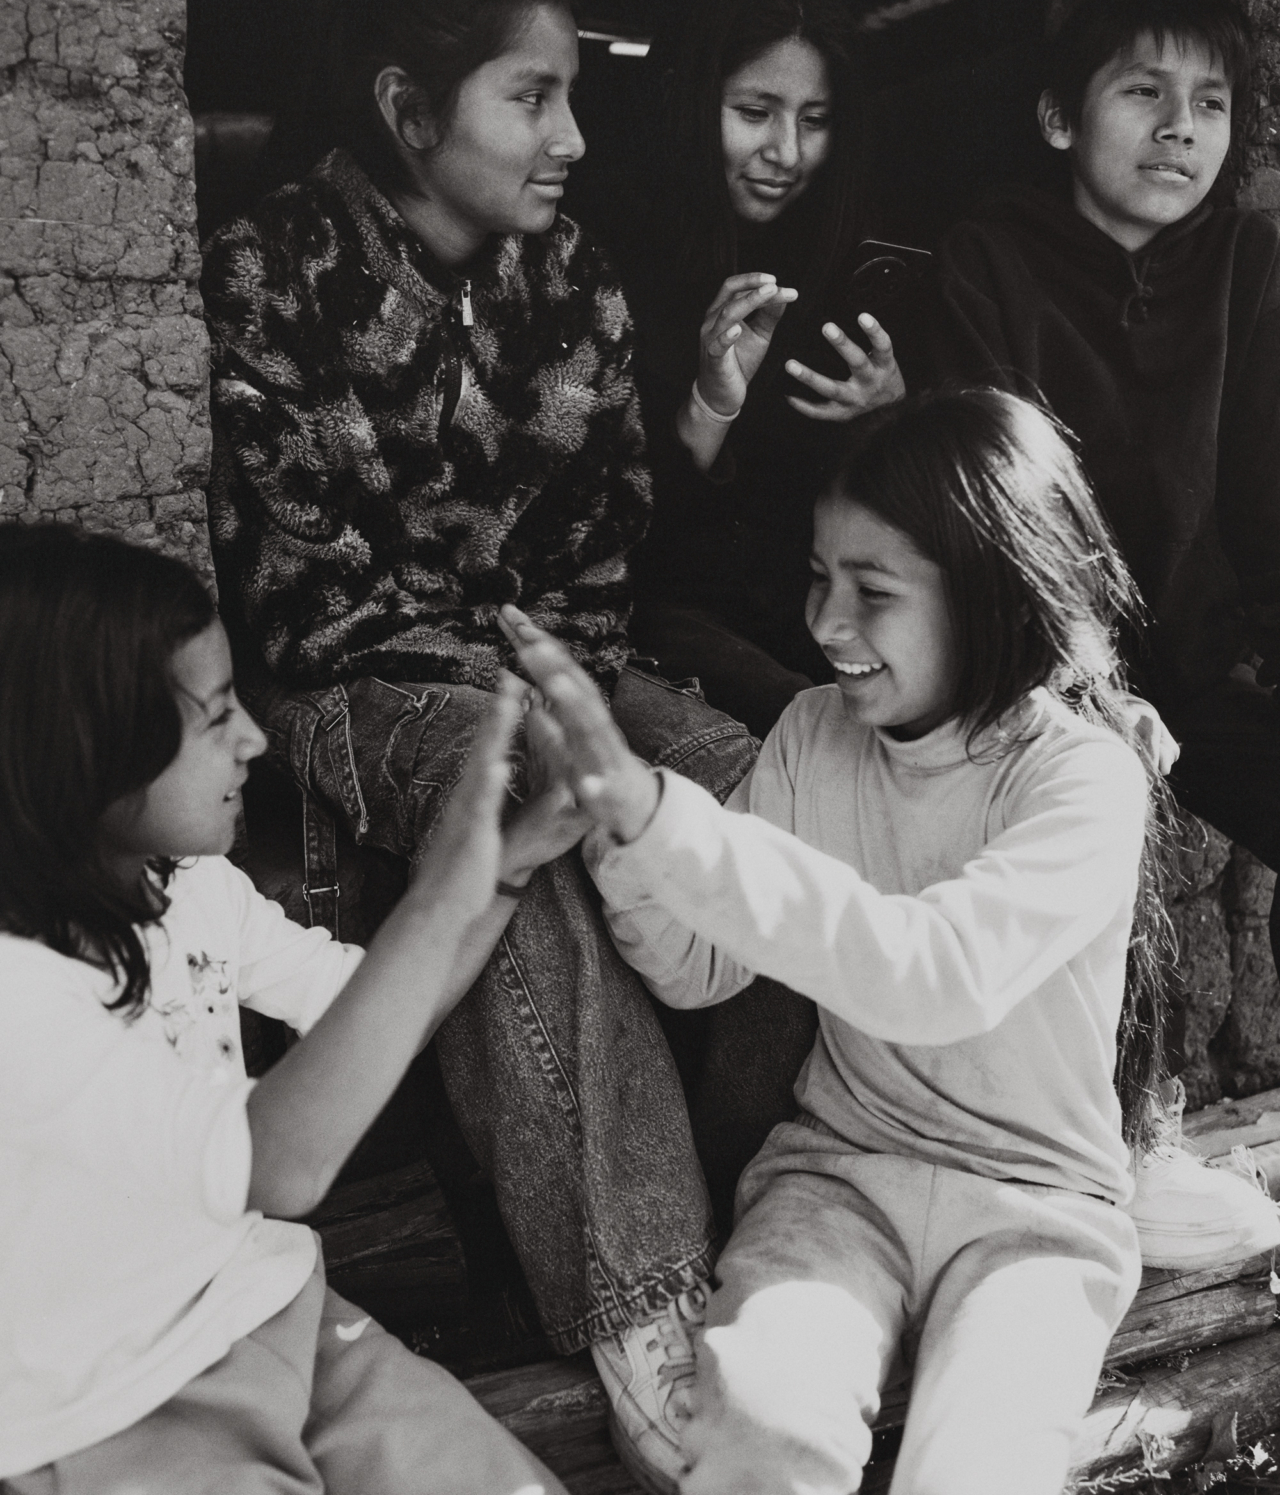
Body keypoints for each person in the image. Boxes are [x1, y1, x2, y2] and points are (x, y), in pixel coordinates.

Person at [201, 0, 785, 1486]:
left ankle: (767, 1217)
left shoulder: (570, 275)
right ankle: (645, 1302)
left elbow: (607, 537)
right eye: (532, 97)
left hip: (550, 656)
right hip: (359, 684)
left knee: (756, 781)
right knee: (508, 800)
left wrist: (567, 682)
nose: (572, 136)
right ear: (410, 108)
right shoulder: (271, 269)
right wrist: (526, 698)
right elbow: (297, 590)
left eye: (571, 96)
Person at [497, 388, 1269, 1495]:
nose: (825, 622)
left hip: (1036, 1214)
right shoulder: (815, 731)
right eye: (819, 576)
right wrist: (618, 835)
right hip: (835, 1183)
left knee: (977, 1469)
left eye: (873, 590)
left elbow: (934, 976)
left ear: (997, 593)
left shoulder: (1081, 778)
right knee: (757, 1434)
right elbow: (695, 965)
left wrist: (666, 820)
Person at [0, 523, 568, 1495]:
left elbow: (375, 1013)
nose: (253, 740)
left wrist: (509, 866)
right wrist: (437, 895)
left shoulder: (185, 885)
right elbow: (281, 1163)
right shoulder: (17, 996)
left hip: (276, 1320)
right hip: (107, 1416)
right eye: (217, 713)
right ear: (87, 753)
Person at [922, 0, 1280, 1270]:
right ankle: (1130, 1146)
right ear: (1059, 117)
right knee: (1094, 795)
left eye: (1211, 102)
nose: (1181, 128)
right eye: (1144, 92)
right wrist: (1084, 684)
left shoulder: (1248, 265)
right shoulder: (986, 263)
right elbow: (995, 515)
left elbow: (1267, 489)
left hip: (1209, 656)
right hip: (1042, 656)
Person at [616, 0, 910, 741]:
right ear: (690, 105)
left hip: (819, 614)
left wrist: (890, 418)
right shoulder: (605, 266)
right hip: (661, 629)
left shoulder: (852, 265)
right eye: (754, 113)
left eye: (815, 120)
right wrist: (709, 406)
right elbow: (627, 552)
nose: (787, 152)